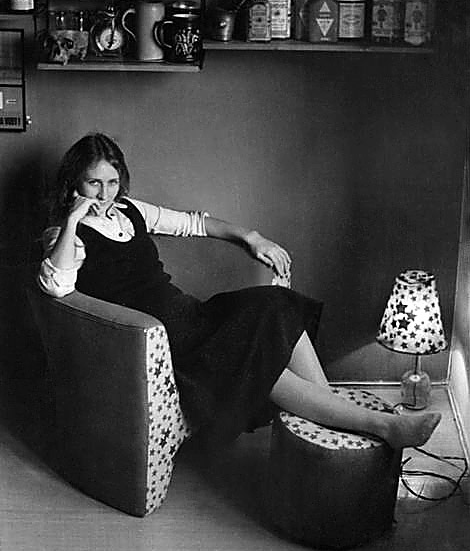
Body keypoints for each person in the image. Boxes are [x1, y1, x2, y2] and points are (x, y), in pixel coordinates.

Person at [38, 132, 441, 450]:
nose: (105, 194)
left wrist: (252, 237)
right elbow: (57, 285)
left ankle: (330, 423)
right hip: (161, 340)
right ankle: (380, 426)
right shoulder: (63, 236)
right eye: (94, 183)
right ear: (74, 183)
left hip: (190, 315)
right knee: (255, 358)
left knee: (277, 303)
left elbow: (193, 223)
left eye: (112, 182)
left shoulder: (130, 209)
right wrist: (72, 219)